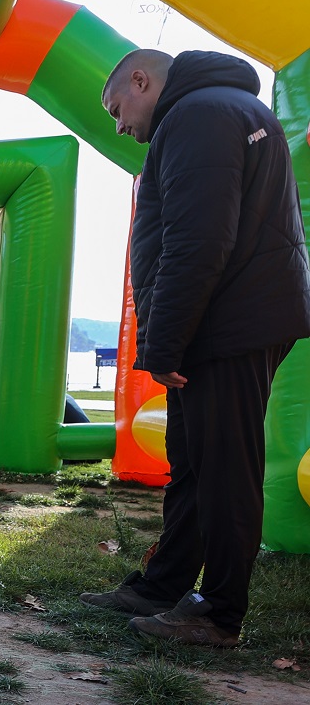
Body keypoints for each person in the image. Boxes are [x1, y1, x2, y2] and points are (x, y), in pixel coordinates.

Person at [81, 49, 310, 646]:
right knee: (193, 463)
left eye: (117, 108)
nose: (119, 124)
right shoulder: (223, 108)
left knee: (226, 469)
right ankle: (165, 586)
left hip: (226, 324)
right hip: (227, 320)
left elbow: (198, 240)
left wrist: (165, 344)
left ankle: (218, 612)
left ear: (141, 79)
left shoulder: (199, 115)